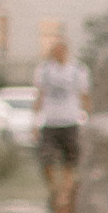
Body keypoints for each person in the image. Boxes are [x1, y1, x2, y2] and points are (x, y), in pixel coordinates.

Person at [31, 39, 89, 187]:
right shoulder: (44, 70)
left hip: (70, 121)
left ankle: (65, 193)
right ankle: (54, 189)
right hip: (50, 121)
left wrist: (88, 120)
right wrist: (35, 122)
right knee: (46, 159)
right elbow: (40, 96)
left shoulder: (78, 70)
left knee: (70, 161)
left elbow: (84, 96)